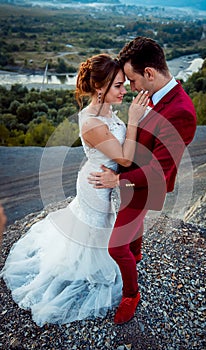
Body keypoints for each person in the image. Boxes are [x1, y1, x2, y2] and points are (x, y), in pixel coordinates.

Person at [0, 53, 149, 326]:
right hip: (95, 187)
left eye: (123, 83)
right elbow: (125, 159)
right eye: (117, 85)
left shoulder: (105, 111)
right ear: (99, 88)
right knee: (94, 231)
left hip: (103, 181)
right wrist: (135, 119)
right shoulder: (91, 122)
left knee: (103, 226)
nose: (124, 89)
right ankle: (87, 269)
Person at [88, 37, 197, 324]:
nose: (130, 87)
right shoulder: (155, 93)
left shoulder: (181, 112)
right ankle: (135, 254)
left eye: (132, 80)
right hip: (131, 175)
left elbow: (158, 172)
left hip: (143, 184)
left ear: (149, 73)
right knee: (132, 232)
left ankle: (131, 294)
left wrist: (117, 178)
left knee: (115, 247)